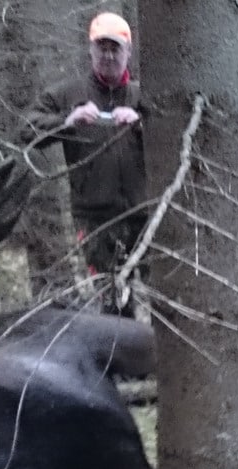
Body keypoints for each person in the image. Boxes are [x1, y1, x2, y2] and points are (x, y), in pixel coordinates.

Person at [25, 12, 145, 308]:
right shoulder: (68, 94)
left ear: (128, 52)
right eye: (101, 47)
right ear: (90, 50)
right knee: (113, 303)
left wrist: (141, 123)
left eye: (114, 48)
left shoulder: (143, 95)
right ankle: (116, 353)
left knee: (166, 299)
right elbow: (26, 128)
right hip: (95, 218)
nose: (107, 55)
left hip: (147, 212)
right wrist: (67, 122)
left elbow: (177, 130)